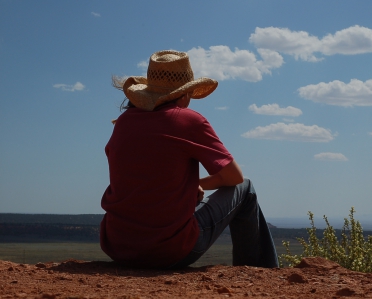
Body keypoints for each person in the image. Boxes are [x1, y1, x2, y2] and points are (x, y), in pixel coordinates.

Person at [100, 50, 278, 269]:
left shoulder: (124, 122)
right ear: (185, 93)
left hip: (119, 247)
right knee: (246, 186)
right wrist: (197, 184)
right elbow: (233, 177)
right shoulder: (188, 120)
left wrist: (188, 187)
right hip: (171, 250)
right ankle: (260, 271)